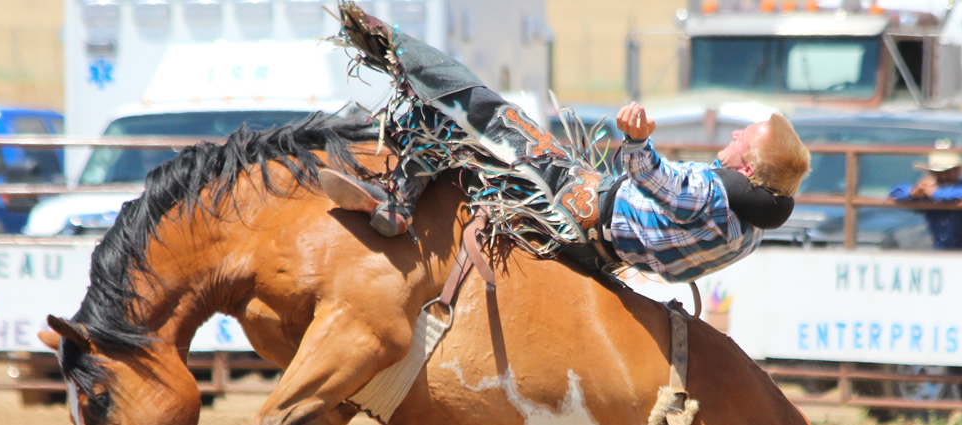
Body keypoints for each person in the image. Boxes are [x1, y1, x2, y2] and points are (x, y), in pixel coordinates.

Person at [320, 2, 811, 283]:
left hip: (576, 202)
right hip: (604, 250)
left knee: (483, 110)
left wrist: (637, 142)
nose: (732, 135)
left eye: (742, 137)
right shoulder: (748, 234)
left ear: (748, 169)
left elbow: (654, 178)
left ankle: (399, 185)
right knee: (484, 145)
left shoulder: (715, 194)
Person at [889, 149, 962, 250]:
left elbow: (956, 193)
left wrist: (934, 192)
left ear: (956, 171)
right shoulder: (928, 191)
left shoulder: (939, 190)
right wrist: (914, 193)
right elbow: (897, 192)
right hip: (941, 249)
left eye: (948, 172)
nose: (943, 176)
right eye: (938, 173)